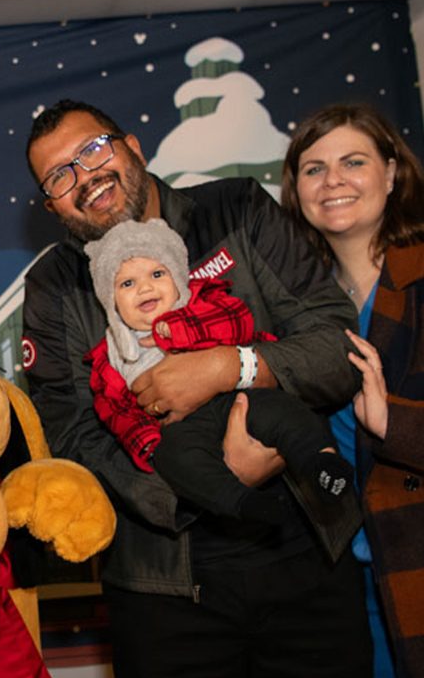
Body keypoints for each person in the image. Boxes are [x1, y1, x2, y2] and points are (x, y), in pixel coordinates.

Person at [22, 99, 373, 678]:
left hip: (306, 563)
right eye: (60, 175)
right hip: (164, 586)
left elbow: (331, 342)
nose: (87, 177)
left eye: (95, 150)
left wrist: (227, 368)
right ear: (52, 204)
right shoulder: (55, 288)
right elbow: (71, 433)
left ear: (133, 145)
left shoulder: (238, 211)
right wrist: (201, 489)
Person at [282, 101, 424, 678]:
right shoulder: (305, 313)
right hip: (348, 598)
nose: (333, 181)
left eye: (353, 161)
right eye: (313, 167)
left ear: (393, 171)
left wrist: (391, 422)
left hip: (420, 575)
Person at [85, 216, 354, 523]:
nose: (145, 287)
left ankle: (319, 464)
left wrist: (177, 330)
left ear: (177, 278)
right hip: (180, 427)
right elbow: (114, 409)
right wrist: (146, 440)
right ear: (111, 301)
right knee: (173, 458)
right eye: (127, 283)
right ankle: (244, 504)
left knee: (285, 411)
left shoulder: (202, 302)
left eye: (158, 273)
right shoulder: (111, 357)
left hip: (236, 398)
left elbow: (238, 321)